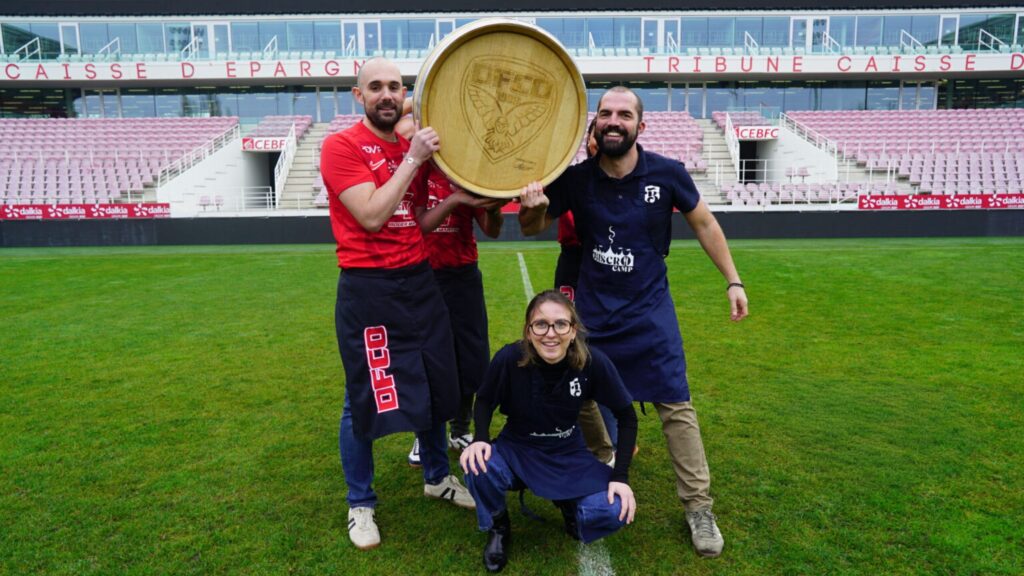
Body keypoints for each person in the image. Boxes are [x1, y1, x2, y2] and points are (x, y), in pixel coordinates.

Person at [518, 86, 749, 558]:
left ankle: (699, 508)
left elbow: (704, 223)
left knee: (676, 406)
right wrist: (533, 207)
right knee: (578, 394)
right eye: (605, 113)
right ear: (597, 122)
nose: (613, 121)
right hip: (595, 315)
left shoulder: (667, 173)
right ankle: (603, 459)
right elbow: (531, 226)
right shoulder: (577, 178)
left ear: (640, 126)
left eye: (624, 114)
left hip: (649, 313)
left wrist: (733, 280)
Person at [319, 57, 474, 551]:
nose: (386, 95)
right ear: (358, 95)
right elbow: (371, 215)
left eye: (395, 87)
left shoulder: (413, 150)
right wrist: (413, 159)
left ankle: (436, 476)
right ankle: (360, 503)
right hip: (368, 286)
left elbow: (415, 221)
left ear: (405, 95)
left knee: (433, 381)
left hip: (419, 281)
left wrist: (456, 201)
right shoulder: (341, 146)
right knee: (363, 395)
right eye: (376, 87)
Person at [460, 290, 638, 573]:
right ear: (529, 331)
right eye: (541, 324)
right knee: (476, 464)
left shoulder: (591, 361)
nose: (551, 333)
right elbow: (484, 400)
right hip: (518, 448)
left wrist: (621, 477)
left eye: (560, 324)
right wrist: (480, 439)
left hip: (567, 452)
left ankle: (571, 506)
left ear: (573, 331)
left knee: (614, 508)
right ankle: (498, 526)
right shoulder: (510, 358)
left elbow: (627, 416)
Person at [396, 99, 508, 464]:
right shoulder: (413, 169)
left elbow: (491, 230)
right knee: (426, 360)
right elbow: (418, 226)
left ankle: (460, 427)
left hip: (462, 275)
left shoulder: (462, 168)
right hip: (423, 275)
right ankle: (425, 435)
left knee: (470, 359)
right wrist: (455, 200)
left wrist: (493, 205)